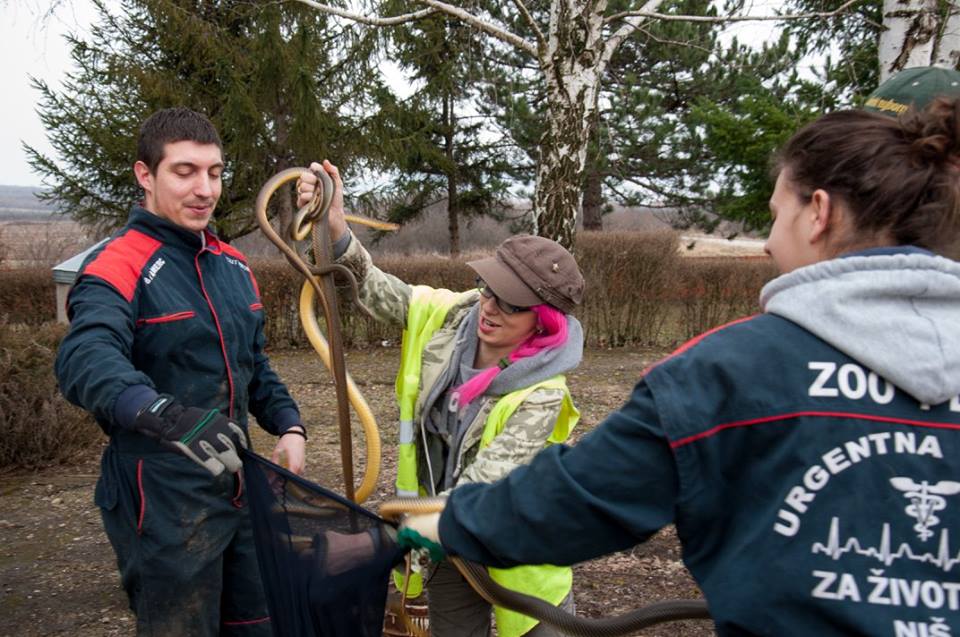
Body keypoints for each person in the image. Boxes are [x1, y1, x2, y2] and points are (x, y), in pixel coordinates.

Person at [399, 98, 960, 635]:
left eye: (775, 215)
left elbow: (581, 499)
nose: (767, 244)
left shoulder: (728, 371)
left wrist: (448, 521)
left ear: (819, 213)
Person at [296, 161, 586, 637]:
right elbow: (376, 290)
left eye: (511, 302)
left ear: (544, 319)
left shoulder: (542, 393)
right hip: (445, 546)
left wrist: (385, 540)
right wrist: (336, 228)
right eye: (489, 288)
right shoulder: (453, 316)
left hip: (520, 550)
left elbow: (485, 487)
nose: (490, 307)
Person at [55, 107, 308, 636]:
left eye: (214, 172)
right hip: (160, 494)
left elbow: (254, 364)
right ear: (145, 176)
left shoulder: (232, 265)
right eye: (185, 171)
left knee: (259, 621)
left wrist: (288, 423)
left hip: (238, 481)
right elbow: (86, 359)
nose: (205, 189)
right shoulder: (116, 265)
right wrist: (167, 416)